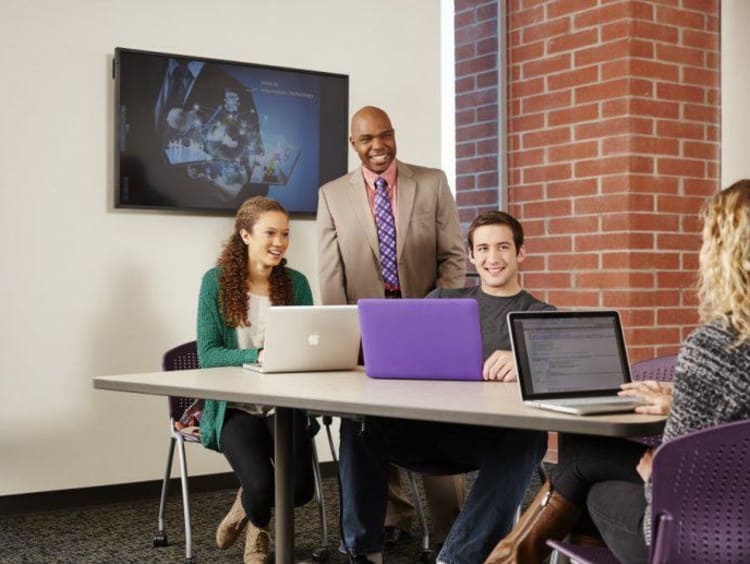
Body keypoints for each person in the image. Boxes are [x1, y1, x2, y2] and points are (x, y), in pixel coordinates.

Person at [484, 179, 750, 564]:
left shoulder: (716, 346)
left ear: (726, 254)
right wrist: (681, 398)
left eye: (708, 239)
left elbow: (675, 483)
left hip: (700, 540)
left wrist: (654, 472)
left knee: (583, 475)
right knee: (581, 456)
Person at [338, 210, 554, 564]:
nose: (492, 257)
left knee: (529, 437)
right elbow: (405, 356)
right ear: (471, 256)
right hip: (430, 431)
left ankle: (458, 558)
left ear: (520, 253)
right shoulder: (442, 301)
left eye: (503, 247)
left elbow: (557, 376)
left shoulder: (540, 316)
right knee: (359, 422)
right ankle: (363, 553)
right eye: (482, 248)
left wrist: (524, 360)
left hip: (492, 441)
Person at [317, 105, 467, 545]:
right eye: (366, 139)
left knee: (438, 418)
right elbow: (330, 273)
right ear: (353, 145)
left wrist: (439, 314)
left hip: (426, 319)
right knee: (371, 421)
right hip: (368, 325)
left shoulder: (432, 181)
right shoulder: (332, 194)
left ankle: (452, 528)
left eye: (384, 135)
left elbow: (454, 257)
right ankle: (391, 519)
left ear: (394, 135)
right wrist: (347, 334)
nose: (377, 146)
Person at [196, 196, 315, 563]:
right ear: (245, 235)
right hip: (235, 405)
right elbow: (209, 355)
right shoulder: (216, 283)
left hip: (284, 402)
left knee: (297, 490)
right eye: (270, 233)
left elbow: (311, 342)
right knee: (263, 483)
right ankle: (257, 531)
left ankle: (244, 506)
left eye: (285, 234)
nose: (279, 242)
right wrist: (256, 356)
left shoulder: (296, 283)